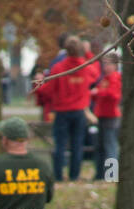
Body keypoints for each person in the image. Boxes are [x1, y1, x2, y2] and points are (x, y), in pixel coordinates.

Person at [41, 36, 97, 182]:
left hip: (62, 111)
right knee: (77, 145)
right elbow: (96, 74)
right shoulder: (86, 67)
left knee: (60, 145)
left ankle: (58, 176)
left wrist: (39, 85)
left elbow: (48, 89)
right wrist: (88, 54)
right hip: (79, 111)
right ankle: (74, 175)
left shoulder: (59, 68)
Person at [91, 54, 121, 181]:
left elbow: (114, 95)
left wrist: (99, 93)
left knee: (110, 146)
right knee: (100, 146)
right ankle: (99, 174)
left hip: (111, 116)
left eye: (109, 64)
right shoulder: (104, 79)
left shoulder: (115, 78)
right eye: (105, 64)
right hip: (101, 115)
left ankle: (111, 175)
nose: (106, 67)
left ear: (115, 65)